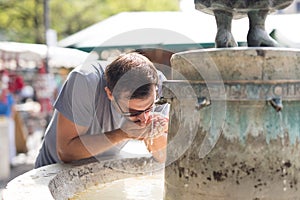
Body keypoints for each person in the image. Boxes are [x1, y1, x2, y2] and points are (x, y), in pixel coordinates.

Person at [34, 52, 169, 168]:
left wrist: (154, 130)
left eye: (149, 108)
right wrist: (122, 134)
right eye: (133, 112)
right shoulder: (84, 81)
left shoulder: (159, 85)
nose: (144, 118)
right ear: (110, 94)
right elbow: (66, 153)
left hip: (104, 168)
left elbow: (162, 157)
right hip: (53, 169)